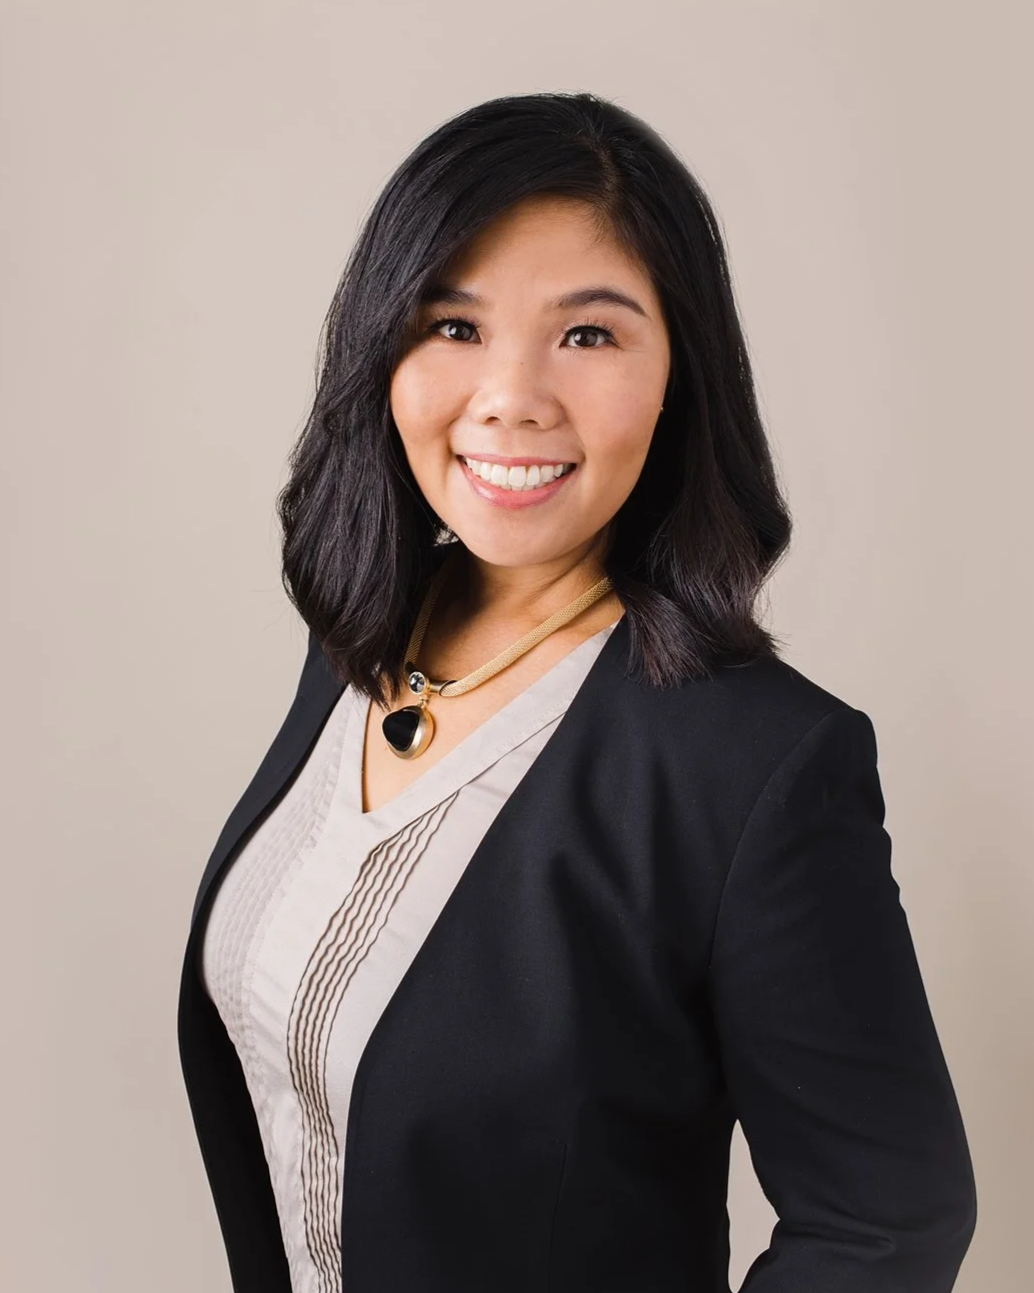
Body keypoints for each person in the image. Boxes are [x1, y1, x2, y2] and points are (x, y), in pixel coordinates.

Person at [177, 91, 977, 1293]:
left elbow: (885, 1220)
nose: (509, 396)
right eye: (452, 325)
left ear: (678, 374)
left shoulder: (756, 765)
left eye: (588, 335)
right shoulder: (360, 643)